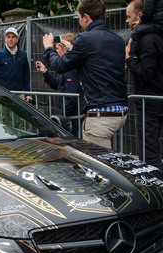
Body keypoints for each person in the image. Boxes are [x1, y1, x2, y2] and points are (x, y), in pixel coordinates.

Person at [42, 0, 128, 148]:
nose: (80, 22)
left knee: (98, 164)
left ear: (86, 17)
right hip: (120, 110)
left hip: (100, 114)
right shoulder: (118, 40)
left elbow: (60, 65)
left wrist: (49, 48)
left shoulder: (86, 39)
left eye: (79, 18)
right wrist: (72, 50)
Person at [125, 0, 163, 170]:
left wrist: (129, 59)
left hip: (149, 101)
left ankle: (159, 190)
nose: (127, 21)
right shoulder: (162, 37)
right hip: (157, 99)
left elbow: (145, 72)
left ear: (140, 15)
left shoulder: (149, 39)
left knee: (149, 153)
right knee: (150, 150)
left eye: (129, 16)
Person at [35, 33, 82, 135]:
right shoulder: (66, 67)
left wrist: (60, 118)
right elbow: (58, 85)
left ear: (63, 47)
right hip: (68, 117)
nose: (56, 52)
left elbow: (71, 96)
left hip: (72, 119)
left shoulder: (71, 68)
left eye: (57, 48)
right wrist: (45, 72)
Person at [0, 27, 32, 102]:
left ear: (17, 39)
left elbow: (26, 75)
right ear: (5, 39)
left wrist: (28, 94)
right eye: (8, 37)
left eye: (13, 37)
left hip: (19, 94)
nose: (11, 39)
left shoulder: (23, 55)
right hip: (3, 95)